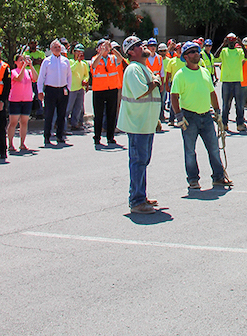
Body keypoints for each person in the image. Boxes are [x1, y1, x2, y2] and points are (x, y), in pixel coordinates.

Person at [170, 41, 231, 190]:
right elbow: (174, 96)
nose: (196, 54)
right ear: (185, 56)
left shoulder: (204, 72)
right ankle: (193, 179)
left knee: (214, 148)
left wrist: (217, 112)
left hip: (206, 116)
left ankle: (218, 177)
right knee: (190, 151)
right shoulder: (180, 75)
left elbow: (212, 93)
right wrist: (178, 116)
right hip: (189, 117)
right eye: (192, 52)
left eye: (197, 51)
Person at [118, 36, 162, 214]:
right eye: (138, 45)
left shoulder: (143, 67)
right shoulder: (133, 69)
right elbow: (141, 91)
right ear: (130, 52)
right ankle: (136, 200)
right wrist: (155, 82)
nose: (143, 46)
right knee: (138, 161)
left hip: (145, 123)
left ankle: (140, 196)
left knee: (143, 160)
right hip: (137, 124)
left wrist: (155, 119)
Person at [37, 39, 72, 146]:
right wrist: (40, 91)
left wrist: (68, 88)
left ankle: (60, 136)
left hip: (62, 90)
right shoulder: (47, 61)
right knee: (49, 114)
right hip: (50, 90)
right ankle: (47, 136)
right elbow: (41, 77)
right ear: (51, 49)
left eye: (59, 47)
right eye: (55, 47)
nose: (57, 49)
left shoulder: (65, 61)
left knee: (62, 114)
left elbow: (69, 76)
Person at [90, 39, 121, 147]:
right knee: (98, 115)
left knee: (111, 114)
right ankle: (97, 137)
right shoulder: (95, 59)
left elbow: (120, 59)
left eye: (106, 46)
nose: (105, 48)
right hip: (99, 90)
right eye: (102, 47)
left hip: (112, 89)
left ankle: (110, 137)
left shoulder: (112, 58)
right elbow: (94, 66)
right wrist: (100, 54)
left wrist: (112, 49)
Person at [7, 52, 38, 153]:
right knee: (13, 122)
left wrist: (31, 66)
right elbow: (19, 79)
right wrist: (24, 67)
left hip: (27, 100)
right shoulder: (13, 72)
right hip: (15, 100)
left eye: (23, 60)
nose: (22, 61)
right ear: (15, 62)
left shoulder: (28, 72)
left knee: (24, 122)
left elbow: (35, 78)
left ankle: (22, 143)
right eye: (20, 60)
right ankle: (10, 143)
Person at [217, 33, 246, 133]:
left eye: (233, 42)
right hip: (226, 81)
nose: (231, 44)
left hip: (237, 80)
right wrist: (223, 44)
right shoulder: (224, 51)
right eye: (230, 42)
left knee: (239, 104)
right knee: (226, 105)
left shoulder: (239, 51)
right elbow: (216, 56)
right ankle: (224, 124)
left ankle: (240, 123)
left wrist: (241, 44)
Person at [67, 44, 89, 131]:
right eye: (77, 52)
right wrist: (77, 61)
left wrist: (85, 80)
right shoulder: (70, 62)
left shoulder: (84, 64)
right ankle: (63, 125)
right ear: (74, 52)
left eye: (81, 52)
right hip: (72, 88)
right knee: (68, 108)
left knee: (78, 107)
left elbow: (86, 75)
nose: (79, 54)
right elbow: (70, 70)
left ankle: (74, 124)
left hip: (80, 88)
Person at [0, 55, 9, 163]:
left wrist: (2, 101)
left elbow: (7, 86)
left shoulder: (4, 67)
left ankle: (2, 150)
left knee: (1, 127)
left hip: (0, 99)